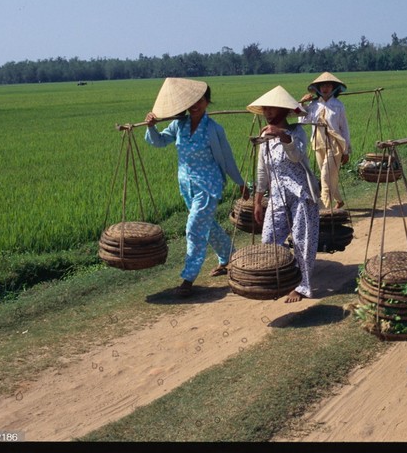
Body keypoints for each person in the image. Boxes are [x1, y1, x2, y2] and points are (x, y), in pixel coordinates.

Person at [144, 77, 249, 298]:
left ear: (207, 101)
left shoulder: (214, 129)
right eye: (191, 101)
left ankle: (188, 278)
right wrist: (152, 127)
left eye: (200, 100)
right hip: (186, 185)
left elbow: (227, 158)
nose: (195, 104)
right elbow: (160, 141)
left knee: (194, 228)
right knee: (208, 226)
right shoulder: (178, 125)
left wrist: (241, 183)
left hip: (208, 185)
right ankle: (230, 257)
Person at [248, 85, 320, 303]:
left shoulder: (297, 132)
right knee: (269, 238)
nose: (268, 112)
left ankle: (302, 286)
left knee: (301, 240)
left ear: (284, 110)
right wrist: (258, 201)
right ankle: (277, 278)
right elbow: (262, 171)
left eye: (272, 108)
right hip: (278, 194)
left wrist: (282, 136)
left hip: (301, 193)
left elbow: (297, 157)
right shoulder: (264, 139)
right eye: (265, 109)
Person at [298, 72, 352, 209]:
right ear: (318, 88)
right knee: (328, 175)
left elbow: (344, 128)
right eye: (322, 86)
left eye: (328, 85)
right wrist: (302, 104)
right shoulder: (313, 105)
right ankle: (339, 200)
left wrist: (346, 151)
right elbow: (303, 121)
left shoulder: (338, 106)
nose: (325, 88)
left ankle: (325, 209)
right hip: (318, 143)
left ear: (333, 88)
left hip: (335, 145)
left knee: (325, 176)